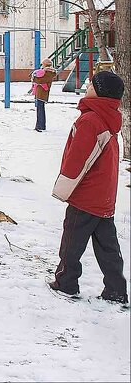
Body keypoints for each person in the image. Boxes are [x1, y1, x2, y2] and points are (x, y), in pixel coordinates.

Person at [49, 70, 127, 304]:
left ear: (99, 91)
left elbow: (79, 159)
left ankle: (66, 283)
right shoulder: (109, 118)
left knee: (71, 243)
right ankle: (116, 290)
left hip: (85, 196)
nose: (88, 87)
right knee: (108, 248)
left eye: (91, 85)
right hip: (104, 196)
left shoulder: (90, 120)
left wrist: (64, 187)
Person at [31, 57, 56, 131]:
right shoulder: (47, 72)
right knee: (40, 109)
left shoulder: (49, 73)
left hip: (42, 93)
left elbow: (41, 80)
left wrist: (34, 78)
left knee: (40, 110)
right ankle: (40, 125)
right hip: (40, 93)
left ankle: (40, 126)